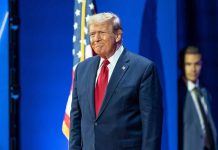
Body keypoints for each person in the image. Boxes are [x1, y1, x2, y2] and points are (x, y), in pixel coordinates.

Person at [69, 12, 163, 150]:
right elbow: (76, 120)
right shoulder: (82, 69)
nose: (96, 39)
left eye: (101, 33)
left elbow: (151, 126)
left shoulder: (143, 69)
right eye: (92, 34)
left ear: (118, 35)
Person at [178, 46, 217, 150]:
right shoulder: (178, 93)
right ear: (181, 65)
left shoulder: (205, 92)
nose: (193, 69)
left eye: (197, 64)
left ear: (202, 64)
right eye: (188, 64)